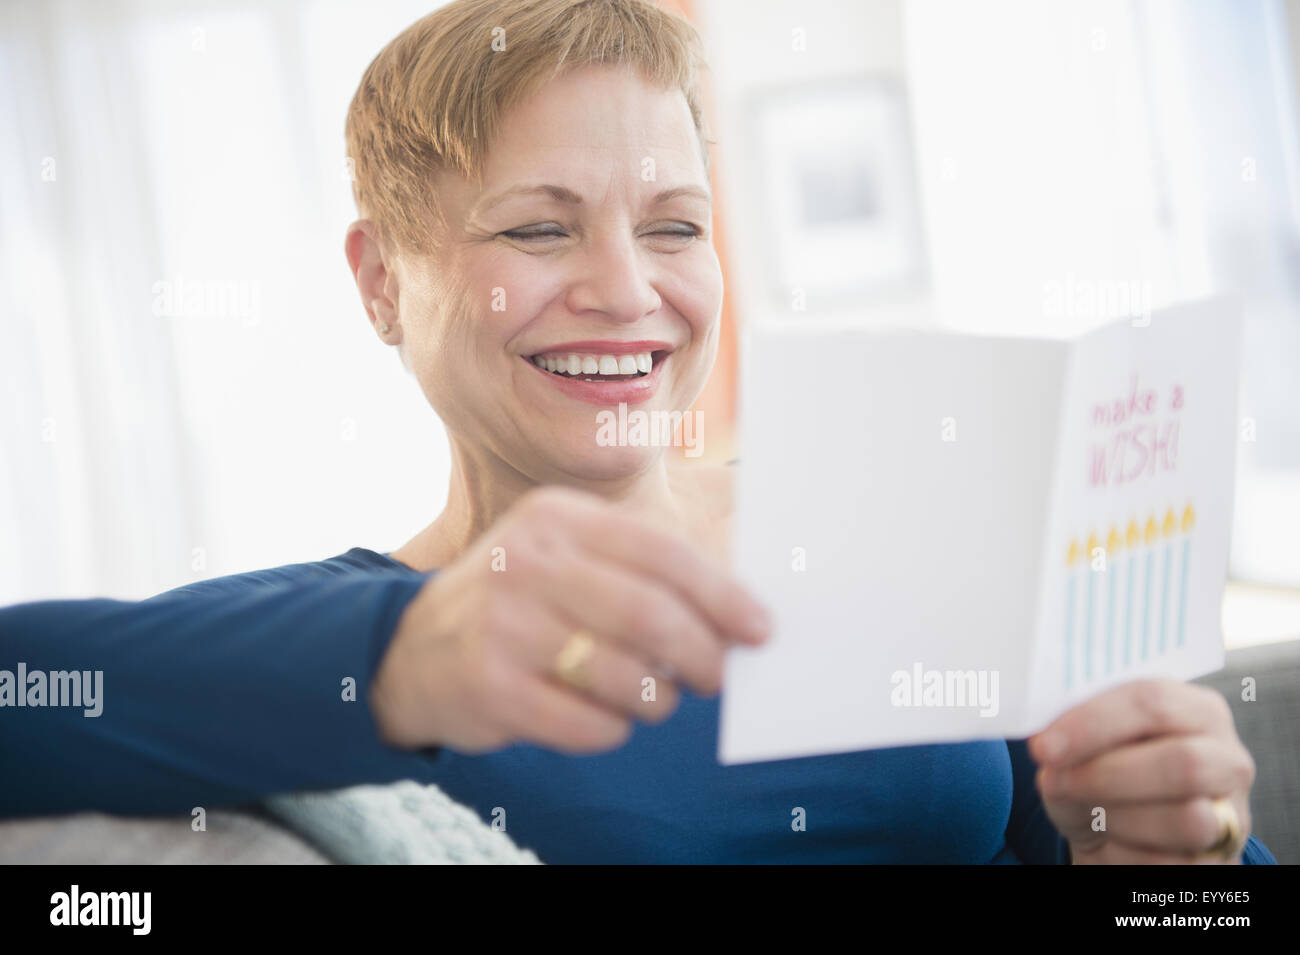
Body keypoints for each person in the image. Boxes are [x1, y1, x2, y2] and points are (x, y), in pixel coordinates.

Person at [0, 0, 1274, 864]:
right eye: (539, 228)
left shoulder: (890, 527)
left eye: (672, 225)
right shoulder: (368, 636)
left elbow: (1152, 866)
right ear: (381, 280)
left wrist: (1186, 850)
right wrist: (398, 657)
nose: (627, 291)